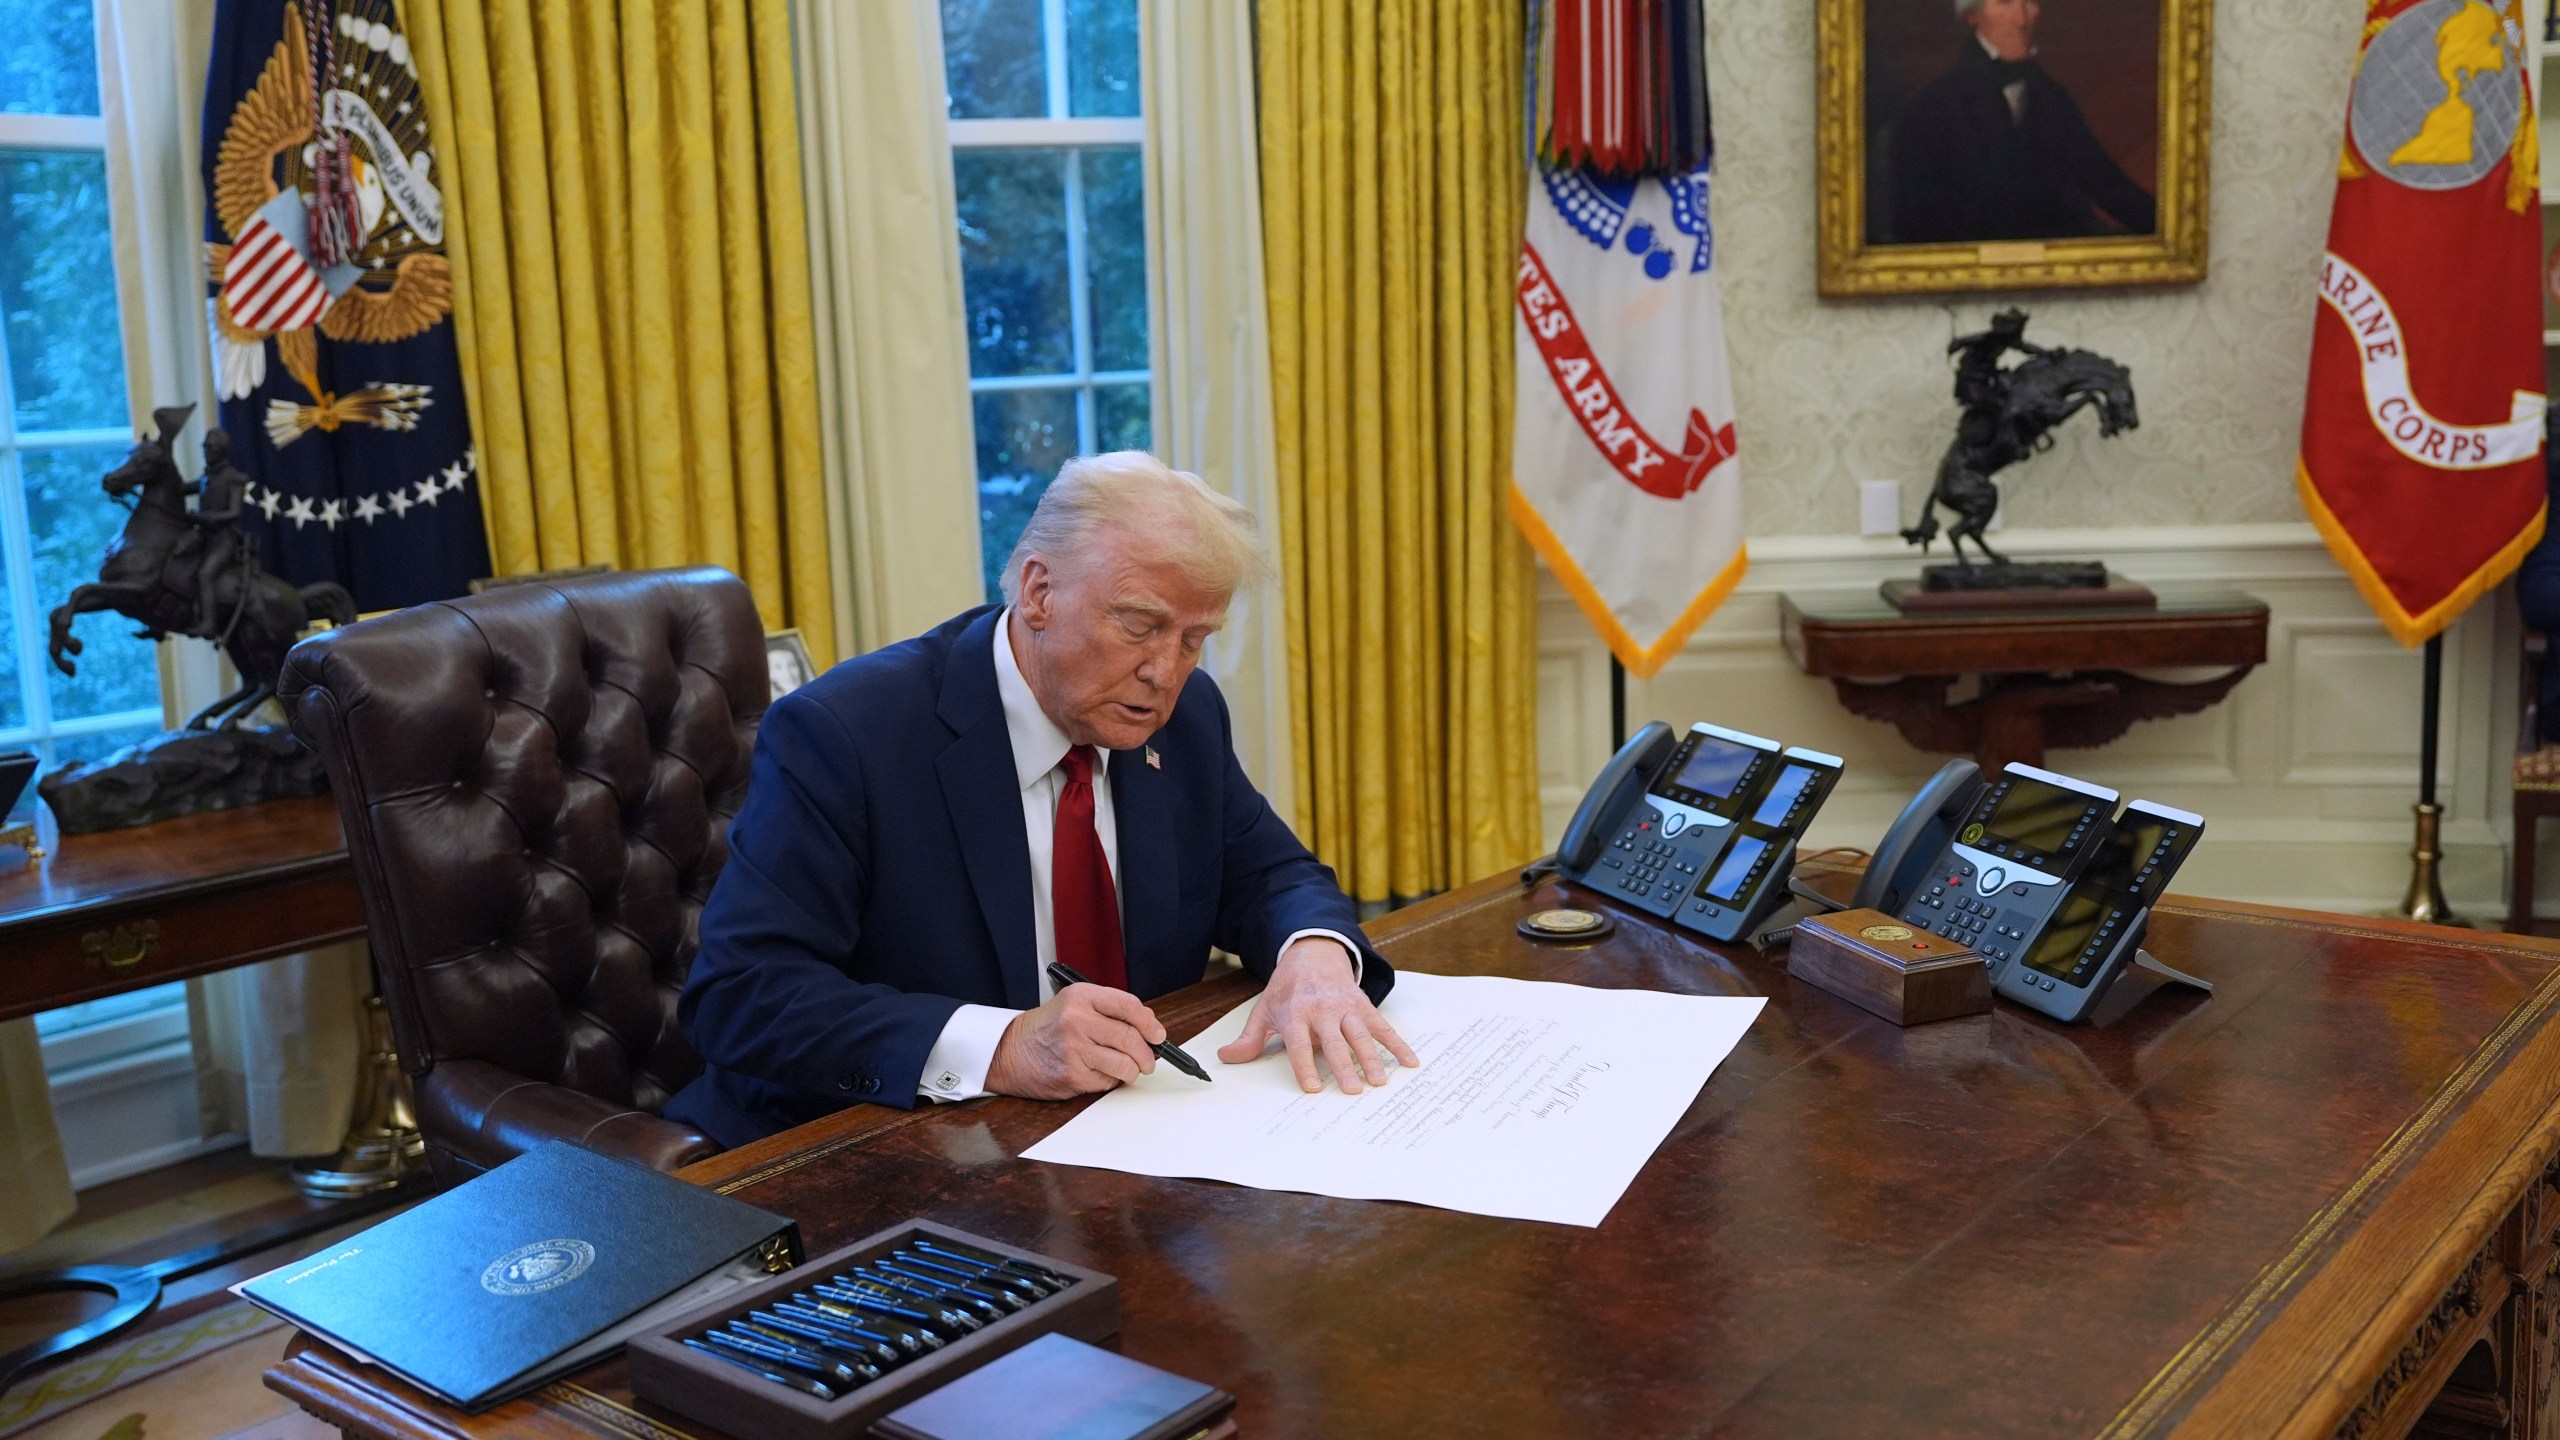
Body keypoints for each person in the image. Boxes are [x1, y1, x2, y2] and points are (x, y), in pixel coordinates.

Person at [664, 453, 1418, 1147]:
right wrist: (1004, 1046)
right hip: (872, 1151)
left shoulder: (1184, 720)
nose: (1166, 671)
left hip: (1126, 1140)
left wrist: (1315, 956)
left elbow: (1271, 875)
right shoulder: (851, 734)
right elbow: (743, 996)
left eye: (1194, 639)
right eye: (1139, 625)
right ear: (1038, 591)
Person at [1882, 0, 2158, 245]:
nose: (2023, 19)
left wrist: (2170, 231)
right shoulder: (1929, 109)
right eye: (2005, 3)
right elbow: (1915, 226)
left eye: (2031, 2)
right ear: (1972, 16)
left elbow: (2105, 181)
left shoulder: (2051, 98)